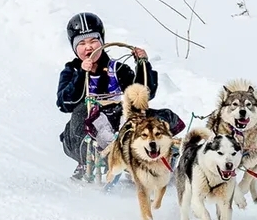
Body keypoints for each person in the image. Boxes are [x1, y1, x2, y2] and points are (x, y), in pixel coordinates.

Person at [57, 12, 185, 178]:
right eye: (81, 43)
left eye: (93, 41)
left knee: (154, 116)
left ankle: (161, 155)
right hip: (89, 126)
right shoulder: (72, 71)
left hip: (122, 122)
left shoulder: (117, 69)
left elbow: (142, 96)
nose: (88, 47)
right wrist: (82, 73)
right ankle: (93, 157)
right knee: (80, 112)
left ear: (102, 42)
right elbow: (64, 103)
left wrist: (143, 65)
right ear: (74, 48)